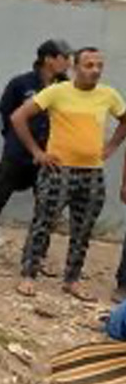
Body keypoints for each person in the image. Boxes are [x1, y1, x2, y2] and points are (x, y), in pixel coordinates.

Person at [12, 47, 126, 300]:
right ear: (75, 68)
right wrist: (37, 152)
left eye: (99, 65)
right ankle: (29, 275)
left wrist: (111, 146)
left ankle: (72, 280)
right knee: (43, 223)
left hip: (92, 174)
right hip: (57, 171)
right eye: (88, 65)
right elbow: (18, 117)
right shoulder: (57, 92)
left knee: (83, 229)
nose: (95, 70)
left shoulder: (109, 95)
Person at [0, 39, 72, 267]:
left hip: (48, 158)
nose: (68, 63)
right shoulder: (21, 83)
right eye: (64, 58)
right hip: (17, 155)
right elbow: (4, 115)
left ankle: (38, 256)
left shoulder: (66, 87)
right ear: (48, 59)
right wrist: (13, 140)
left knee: (46, 207)